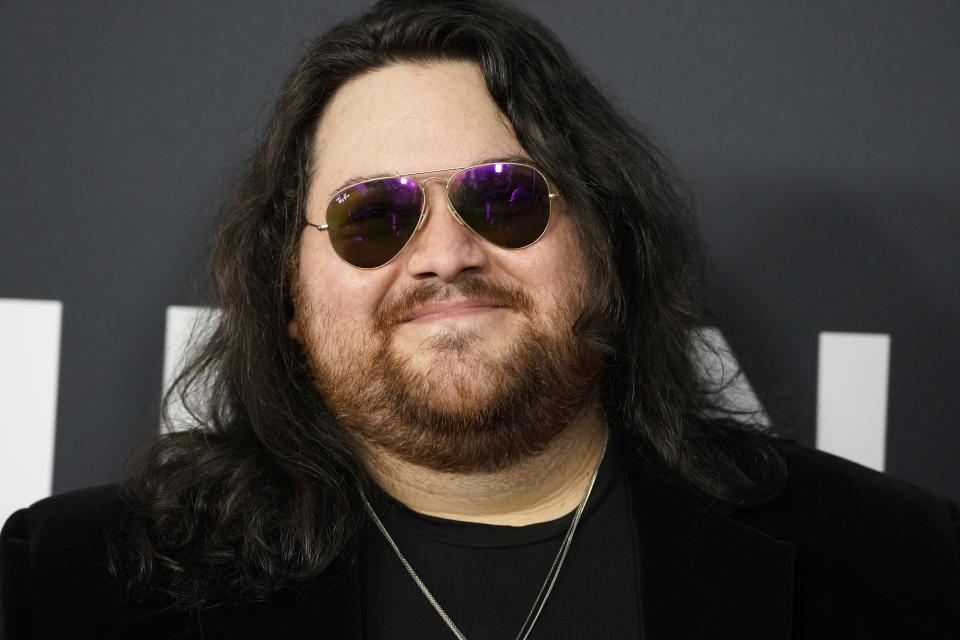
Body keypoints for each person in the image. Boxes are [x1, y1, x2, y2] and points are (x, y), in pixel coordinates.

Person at [1, 1, 958, 638]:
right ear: (287, 294)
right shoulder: (70, 588)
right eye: (371, 216)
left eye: (505, 200)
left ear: (605, 245)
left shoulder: (897, 568)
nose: (446, 253)